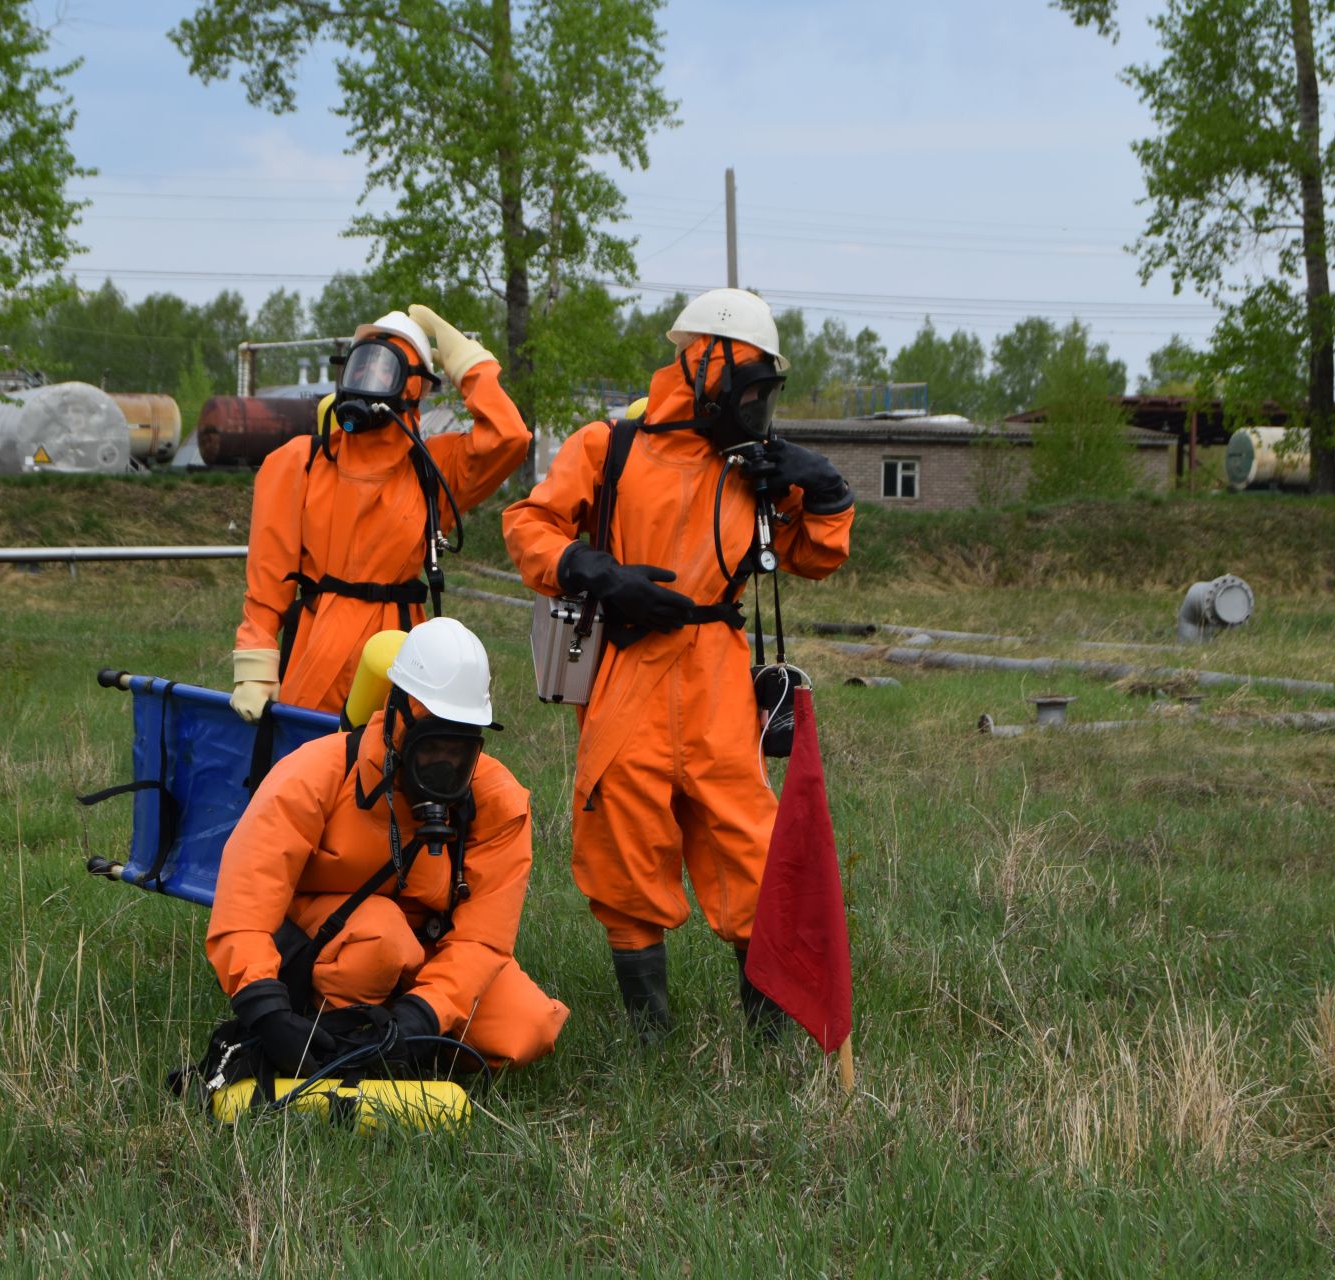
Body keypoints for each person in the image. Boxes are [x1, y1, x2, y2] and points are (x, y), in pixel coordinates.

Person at [501, 287, 855, 1039]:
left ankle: (771, 1034)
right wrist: (598, 572)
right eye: (749, 380)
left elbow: (813, 556)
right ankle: (649, 1036)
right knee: (622, 847)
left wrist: (823, 491)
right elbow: (528, 524)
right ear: (706, 360)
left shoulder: (753, 465)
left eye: (766, 387)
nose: (755, 399)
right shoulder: (610, 446)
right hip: (628, 668)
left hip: (719, 674)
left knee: (752, 849)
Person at [206, 618, 568, 1074]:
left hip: (429, 944)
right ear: (398, 717)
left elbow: (482, 939)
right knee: (381, 937)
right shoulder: (318, 772)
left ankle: (400, 1042)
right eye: (434, 744)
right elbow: (246, 900)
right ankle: (330, 1032)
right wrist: (264, 1007)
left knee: (526, 1028)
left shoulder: (498, 802)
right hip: (337, 936)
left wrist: (425, 1013)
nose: (447, 763)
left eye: (460, 748)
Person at [229, 306, 531, 724]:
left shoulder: (433, 467)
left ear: (413, 389)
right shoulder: (301, 462)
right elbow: (268, 578)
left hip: (400, 648)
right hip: (319, 645)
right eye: (362, 364)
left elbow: (508, 435)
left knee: (391, 769)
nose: (368, 380)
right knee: (305, 768)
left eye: (383, 369)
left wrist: (466, 359)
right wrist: (255, 668)